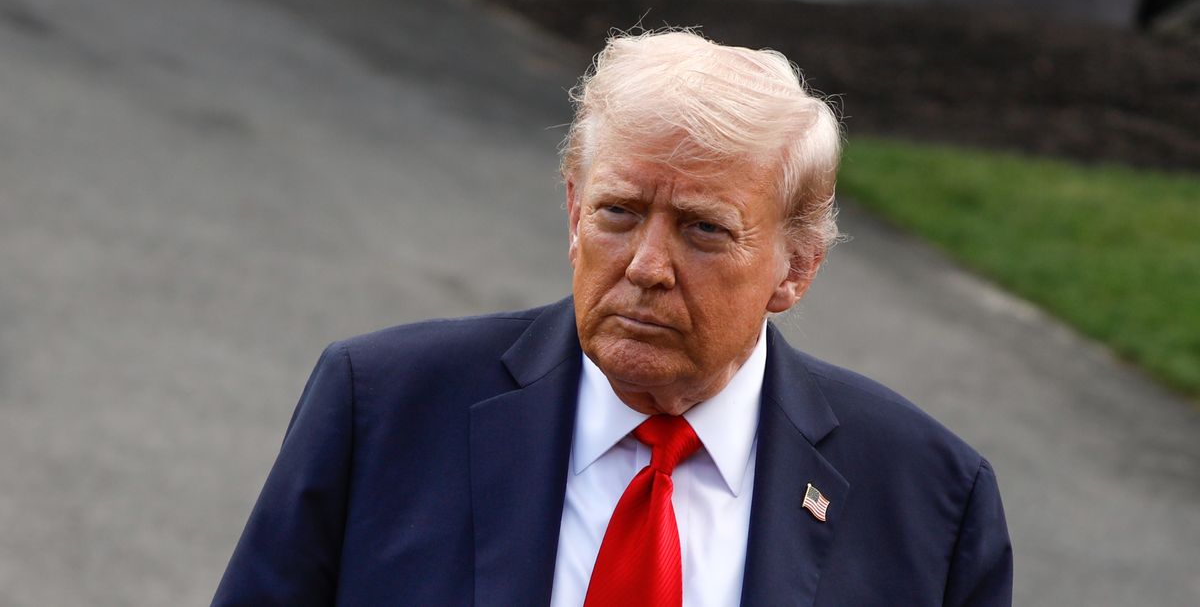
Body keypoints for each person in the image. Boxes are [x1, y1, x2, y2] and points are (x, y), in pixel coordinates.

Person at [213, 30, 1012, 606]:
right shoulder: (381, 407)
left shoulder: (927, 499)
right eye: (619, 212)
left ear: (795, 266)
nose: (646, 266)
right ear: (572, 212)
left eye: (703, 228)